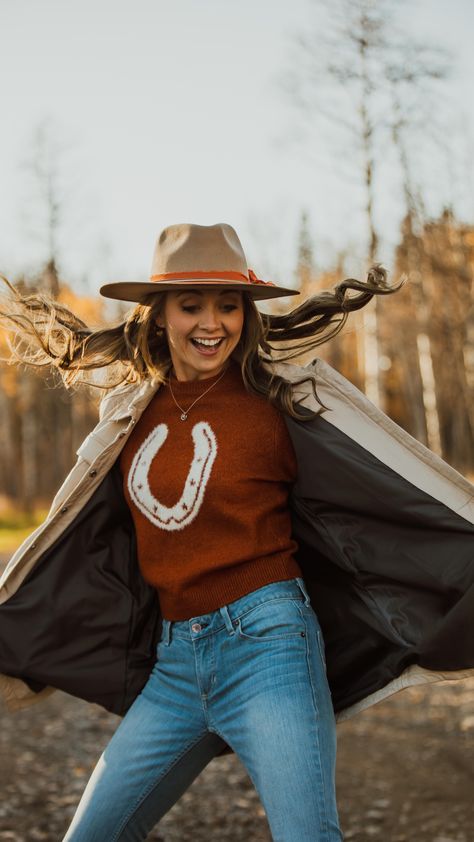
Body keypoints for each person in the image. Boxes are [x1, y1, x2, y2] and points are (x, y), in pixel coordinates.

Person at [0, 223, 473, 842]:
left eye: (229, 304)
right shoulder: (131, 411)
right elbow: (83, 531)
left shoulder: (282, 400)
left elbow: (379, 491)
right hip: (174, 667)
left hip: (270, 649)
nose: (212, 322)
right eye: (191, 304)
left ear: (247, 314)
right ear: (159, 313)